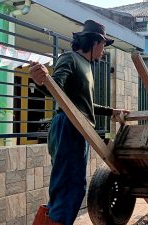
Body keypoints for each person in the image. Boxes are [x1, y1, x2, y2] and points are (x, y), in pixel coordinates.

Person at [29, 20, 129, 225]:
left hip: (78, 128)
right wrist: (40, 80)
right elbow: (55, 86)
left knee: (68, 186)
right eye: (103, 45)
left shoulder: (87, 67)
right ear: (93, 42)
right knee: (69, 186)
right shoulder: (71, 58)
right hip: (68, 126)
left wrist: (111, 111)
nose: (103, 51)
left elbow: (85, 104)